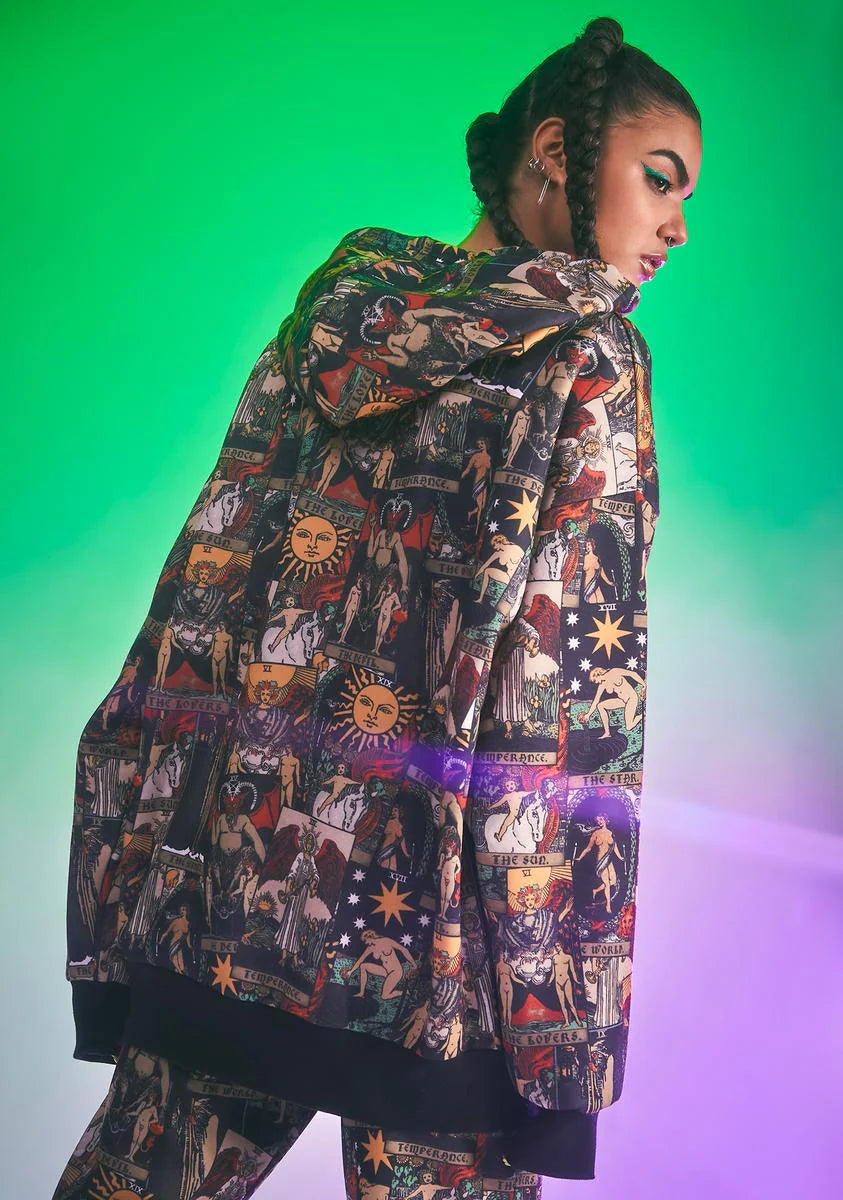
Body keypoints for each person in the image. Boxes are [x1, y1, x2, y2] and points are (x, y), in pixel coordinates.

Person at [53, 14, 701, 1199]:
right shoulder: (588, 359)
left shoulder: (337, 312)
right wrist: (556, 1022)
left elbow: (204, 594)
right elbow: (563, 705)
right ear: (557, 153)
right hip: (434, 947)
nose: (677, 227)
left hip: (223, 900)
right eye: (660, 179)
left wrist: (124, 868)